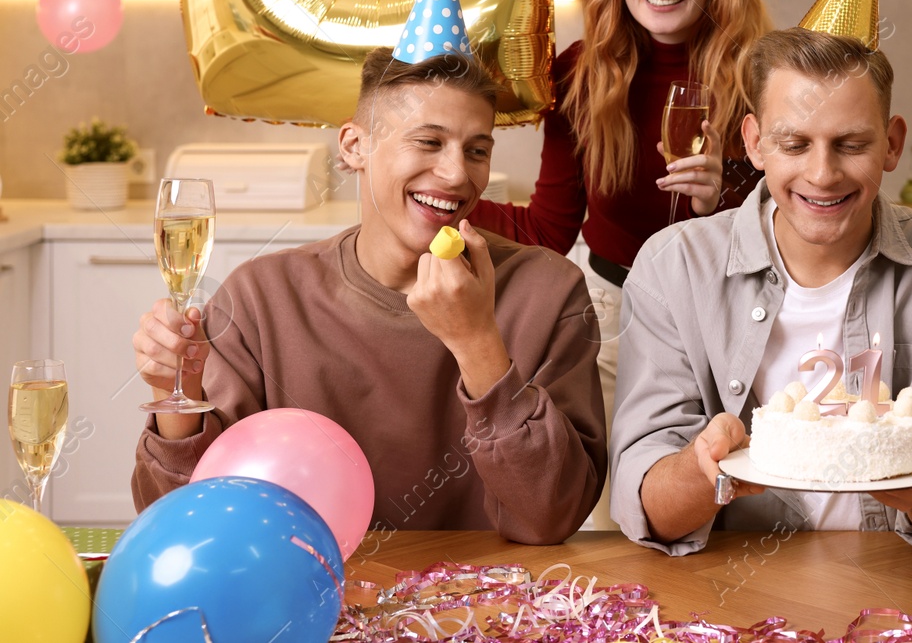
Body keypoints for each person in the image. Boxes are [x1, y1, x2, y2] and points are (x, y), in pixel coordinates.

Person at [130, 45, 607, 544]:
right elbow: (184, 527)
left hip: (490, 605)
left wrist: (477, 342)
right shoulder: (261, 297)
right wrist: (173, 392)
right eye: (428, 142)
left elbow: (551, 516)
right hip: (313, 603)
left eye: (477, 150)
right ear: (354, 146)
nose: (457, 174)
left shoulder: (549, 292)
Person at [609, 27, 912, 554]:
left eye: (851, 145)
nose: (822, 175)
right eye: (794, 143)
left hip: (906, 592)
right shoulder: (674, 267)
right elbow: (649, 507)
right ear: (754, 142)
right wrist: (704, 466)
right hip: (725, 594)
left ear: (892, 144)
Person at [470, 0, 771, 526]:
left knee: (738, 525)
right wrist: (444, 198)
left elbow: (801, 226)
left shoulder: (763, 73)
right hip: (613, 326)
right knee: (613, 527)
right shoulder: (579, 73)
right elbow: (549, 228)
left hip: (735, 324)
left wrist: (723, 202)